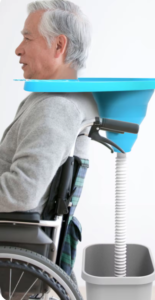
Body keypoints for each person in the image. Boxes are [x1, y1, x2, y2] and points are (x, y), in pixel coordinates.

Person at [0, 0, 98, 214]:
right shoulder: (47, 99)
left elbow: (20, 194)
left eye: (27, 38)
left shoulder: (56, 107)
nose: (18, 49)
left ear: (58, 46)